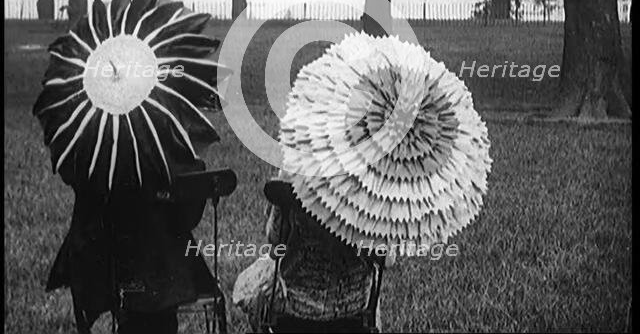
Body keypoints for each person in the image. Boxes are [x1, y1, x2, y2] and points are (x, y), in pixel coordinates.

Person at [46, 154, 218, 334]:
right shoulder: (165, 149)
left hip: (110, 270)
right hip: (166, 272)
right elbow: (189, 216)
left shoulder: (95, 153)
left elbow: (77, 188)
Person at [235, 173, 395, 333]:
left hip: (297, 308)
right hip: (353, 307)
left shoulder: (293, 169)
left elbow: (275, 240)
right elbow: (387, 260)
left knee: (251, 285)